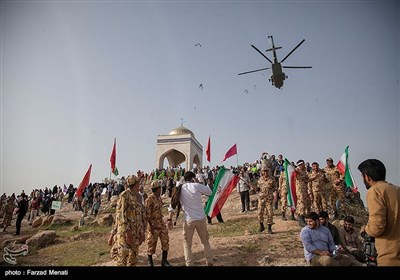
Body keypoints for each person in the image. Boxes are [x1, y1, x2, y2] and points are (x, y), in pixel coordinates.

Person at [358, 159, 400, 266]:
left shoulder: (374, 191)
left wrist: (365, 230)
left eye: (362, 176)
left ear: (367, 177)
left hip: (390, 257)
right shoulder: (397, 190)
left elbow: (376, 228)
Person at [167, 171, 213, 266]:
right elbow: (210, 192)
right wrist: (199, 182)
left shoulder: (180, 188)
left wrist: (169, 219)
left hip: (189, 220)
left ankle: (189, 264)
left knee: (187, 244)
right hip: (201, 218)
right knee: (205, 242)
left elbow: (172, 205)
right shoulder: (197, 186)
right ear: (193, 178)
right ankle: (209, 261)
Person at [108, 175, 147, 266]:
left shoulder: (136, 197)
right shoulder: (124, 196)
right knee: (122, 261)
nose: (139, 185)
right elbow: (121, 215)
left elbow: (138, 217)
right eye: (138, 183)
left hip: (135, 234)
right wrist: (127, 231)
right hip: (125, 234)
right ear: (135, 184)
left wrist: (141, 232)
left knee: (133, 261)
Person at [145, 180, 171, 267]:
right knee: (151, 244)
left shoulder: (159, 198)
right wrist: (151, 226)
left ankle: (164, 261)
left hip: (161, 224)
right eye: (159, 188)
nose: (161, 190)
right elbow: (147, 214)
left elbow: (160, 210)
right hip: (153, 225)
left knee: (165, 241)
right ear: (157, 189)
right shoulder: (149, 199)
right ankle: (150, 262)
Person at [257, 167, 276, 234]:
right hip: (261, 199)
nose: (265, 172)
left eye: (266, 171)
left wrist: (275, 195)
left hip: (269, 199)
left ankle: (269, 228)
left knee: (270, 213)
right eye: (264, 171)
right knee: (259, 212)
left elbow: (275, 188)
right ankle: (261, 225)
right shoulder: (260, 180)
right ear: (262, 172)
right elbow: (258, 188)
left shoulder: (272, 179)